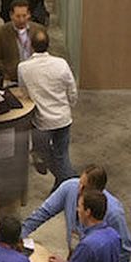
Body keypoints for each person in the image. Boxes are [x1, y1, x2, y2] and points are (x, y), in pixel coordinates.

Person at [19, 165, 130, 258]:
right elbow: (43, 212)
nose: (79, 189)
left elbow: (124, 249)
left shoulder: (114, 213)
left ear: (97, 192)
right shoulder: (70, 187)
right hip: (76, 254)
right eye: (80, 183)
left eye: (84, 187)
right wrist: (18, 235)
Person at [19, 28, 77, 186]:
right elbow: (72, 89)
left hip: (42, 121)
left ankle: (72, 182)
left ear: (30, 45)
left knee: (45, 153)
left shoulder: (24, 67)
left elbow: (23, 92)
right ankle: (63, 182)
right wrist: (69, 105)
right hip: (63, 118)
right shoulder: (61, 64)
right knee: (62, 155)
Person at [0, 0, 37, 79]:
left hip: (34, 76)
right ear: (11, 15)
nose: (21, 20)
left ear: (29, 14)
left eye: (24, 16)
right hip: (12, 78)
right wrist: (8, 70)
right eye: (18, 16)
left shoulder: (38, 31)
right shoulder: (1, 33)